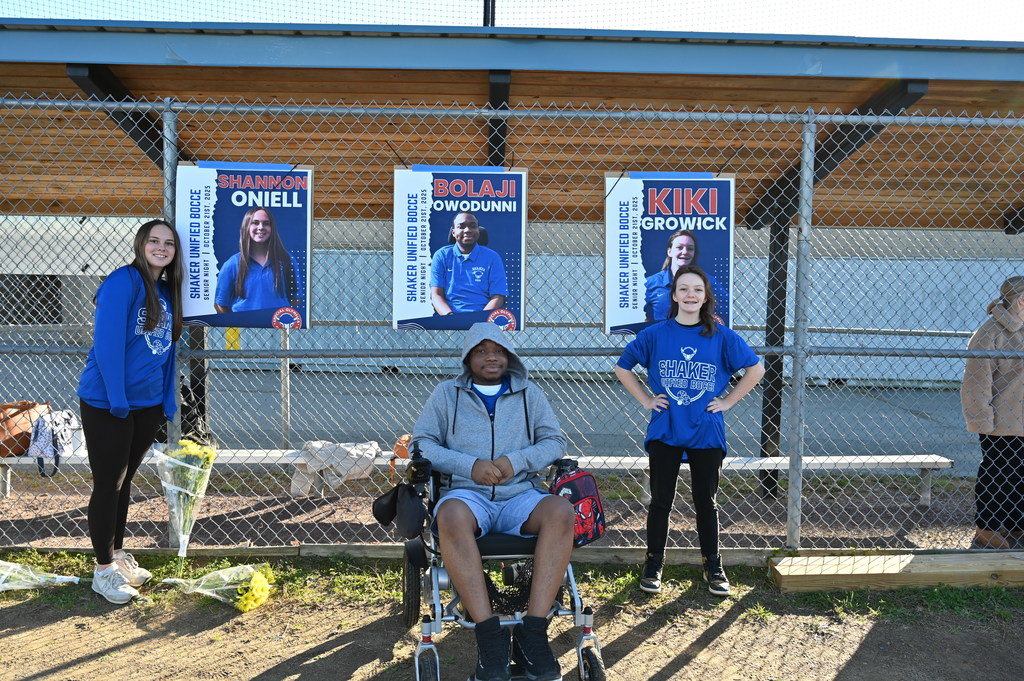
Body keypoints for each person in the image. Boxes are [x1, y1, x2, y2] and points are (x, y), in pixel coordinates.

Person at [413, 322, 574, 681]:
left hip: (520, 493)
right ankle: (490, 639)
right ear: (468, 357)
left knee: (561, 511)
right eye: (482, 351)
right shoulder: (446, 394)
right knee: (450, 515)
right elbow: (422, 444)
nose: (491, 357)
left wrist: (512, 462)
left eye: (498, 351)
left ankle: (533, 633)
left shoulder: (529, 394)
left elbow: (555, 442)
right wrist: (470, 466)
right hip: (467, 495)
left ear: (509, 357)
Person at [615, 265, 764, 596]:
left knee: (705, 501)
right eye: (684, 289)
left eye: (697, 289)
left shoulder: (722, 336)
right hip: (666, 425)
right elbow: (622, 367)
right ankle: (653, 564)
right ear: (674, 295)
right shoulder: (656, 334)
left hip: (706, 428)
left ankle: (713, 565)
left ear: (705, 296)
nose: (690, 295)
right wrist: (646, 399)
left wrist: (727, 402)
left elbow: (756, 368)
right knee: (661, 500)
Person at [77, 219, 183, 604]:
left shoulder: (168, 290)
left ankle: (117, 555)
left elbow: (167, 351)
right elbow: (106, 346)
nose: (161, 247)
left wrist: (166, 401)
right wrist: (118, 398)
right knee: (108, 484)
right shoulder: (123, 281)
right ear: (141, 245)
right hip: (108, 402)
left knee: (124, 481)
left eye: (168, 243)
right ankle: (103, 571)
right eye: (154, 241)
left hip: (146, 405)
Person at [961, 276, 1024, 550]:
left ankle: (1016, 526)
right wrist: (982, 422)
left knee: (1020, 476)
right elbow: (976, 383)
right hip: (1001, 423)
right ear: (1021, 299)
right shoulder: (991, 332)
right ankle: (986, 531)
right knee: (998, 475)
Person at [214, 207, 298, 313]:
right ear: (246, 227)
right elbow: (220, 304)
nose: (261, 227)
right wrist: (235, 323)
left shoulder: (287, 260)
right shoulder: (233, 263)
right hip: (244, 327)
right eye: (255, 223)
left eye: (266, 223)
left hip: (278, 326)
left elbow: (295, 299)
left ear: (273, 228)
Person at [430, 212, 509, 315]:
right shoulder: (441, 256)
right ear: (453, 232)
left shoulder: (492, 257)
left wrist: (480, 320)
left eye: (473, 226)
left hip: (483, 321)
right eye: (461, 226)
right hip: (448, 318)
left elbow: (498, 297)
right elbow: (436, 295)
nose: (467, 230)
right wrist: (450, 318)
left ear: (478, 231)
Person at [644, 229, 727, 322]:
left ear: (694, 252)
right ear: (669, 251)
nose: (685, 252)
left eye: (690, 248)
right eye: (679, 247)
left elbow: (725, 307)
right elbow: (634, 311)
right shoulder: (650, 283)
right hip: (662, 336)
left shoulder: (709, 281)